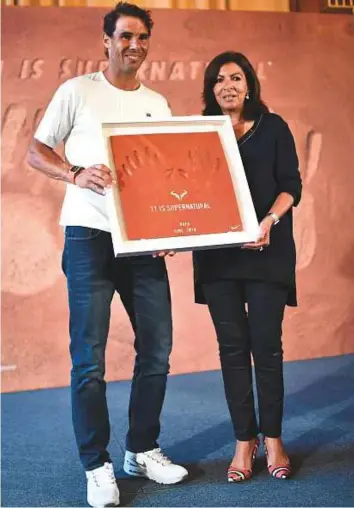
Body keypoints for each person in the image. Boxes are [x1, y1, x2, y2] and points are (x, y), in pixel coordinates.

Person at [27, 3, 188, 506]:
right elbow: (36, 151)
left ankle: (141, 449)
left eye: (142, 37)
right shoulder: (77, 92)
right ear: (106, 40)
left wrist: (169, 225)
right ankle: (96, 465)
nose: (133, 46)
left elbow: (166, 177)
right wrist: (73, 174)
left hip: (142, 243)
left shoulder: (158, 104)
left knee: (157, 351)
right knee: (89, 361)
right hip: (88, 237)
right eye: (124, 37)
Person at [193, 51, 302, 482]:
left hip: (266, 252)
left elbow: (291, 185)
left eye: (235, 78)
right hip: (218, 258)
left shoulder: (274, 128)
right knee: (232, 350)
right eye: (219, 80)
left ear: (249, 84)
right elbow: (183, 190)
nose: (227, 86)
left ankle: (273, 437)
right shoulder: (201, 131)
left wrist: (269, 220)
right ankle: (245, 440)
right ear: (211, 89)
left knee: (266, 347)